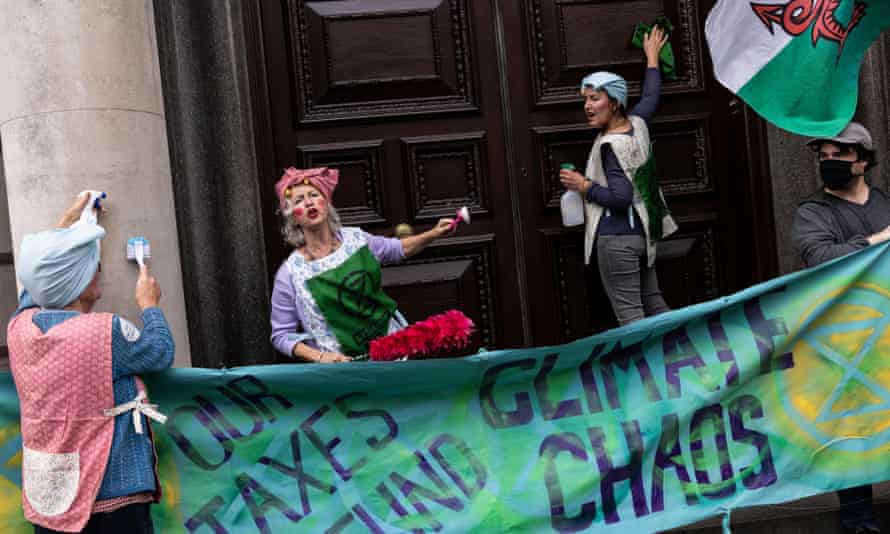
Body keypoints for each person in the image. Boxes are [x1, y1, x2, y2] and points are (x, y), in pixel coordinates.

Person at [7, 193, 174, 534]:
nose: (99, 272)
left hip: (49, 493)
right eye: (93, 266)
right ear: (81, 283)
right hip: (114, 489)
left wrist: (68, 223)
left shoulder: (19, 329)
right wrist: (149, 304)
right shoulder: (107, 331)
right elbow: (160, 352)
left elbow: (35, 286)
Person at [792, 121, 887, 534]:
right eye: (823, 157)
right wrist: (877, 239)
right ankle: (859, 523)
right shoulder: (813, 212)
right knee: (852, 431)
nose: (829, 163)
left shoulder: (884, 203)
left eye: (840, 156)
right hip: (843, 342)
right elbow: (819, 258)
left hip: (885, 336)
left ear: (862, 162)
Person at [270, 167, 455, 362]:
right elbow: (281, 335)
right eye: (299, 200)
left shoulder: (357, 240)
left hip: (395, 356)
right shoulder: (290, 274)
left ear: (326, 203)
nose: (308, 202)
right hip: (344, 372)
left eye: (314, 195)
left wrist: (434, 233)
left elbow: (398, 249)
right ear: (293, 218)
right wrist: (320, 356)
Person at [559, 25, 677, 326]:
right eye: (585, 100)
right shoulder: (637, 124)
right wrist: (652, 59)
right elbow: (650, 98)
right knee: (654, 303)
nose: (587, 106)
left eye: (595, 99)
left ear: (614, 102)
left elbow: (621, 198)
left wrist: (583, 185)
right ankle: (685, 357)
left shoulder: (612, 144)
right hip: (643, 234)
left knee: (631, 319)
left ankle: (650, 373)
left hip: (617, 240)